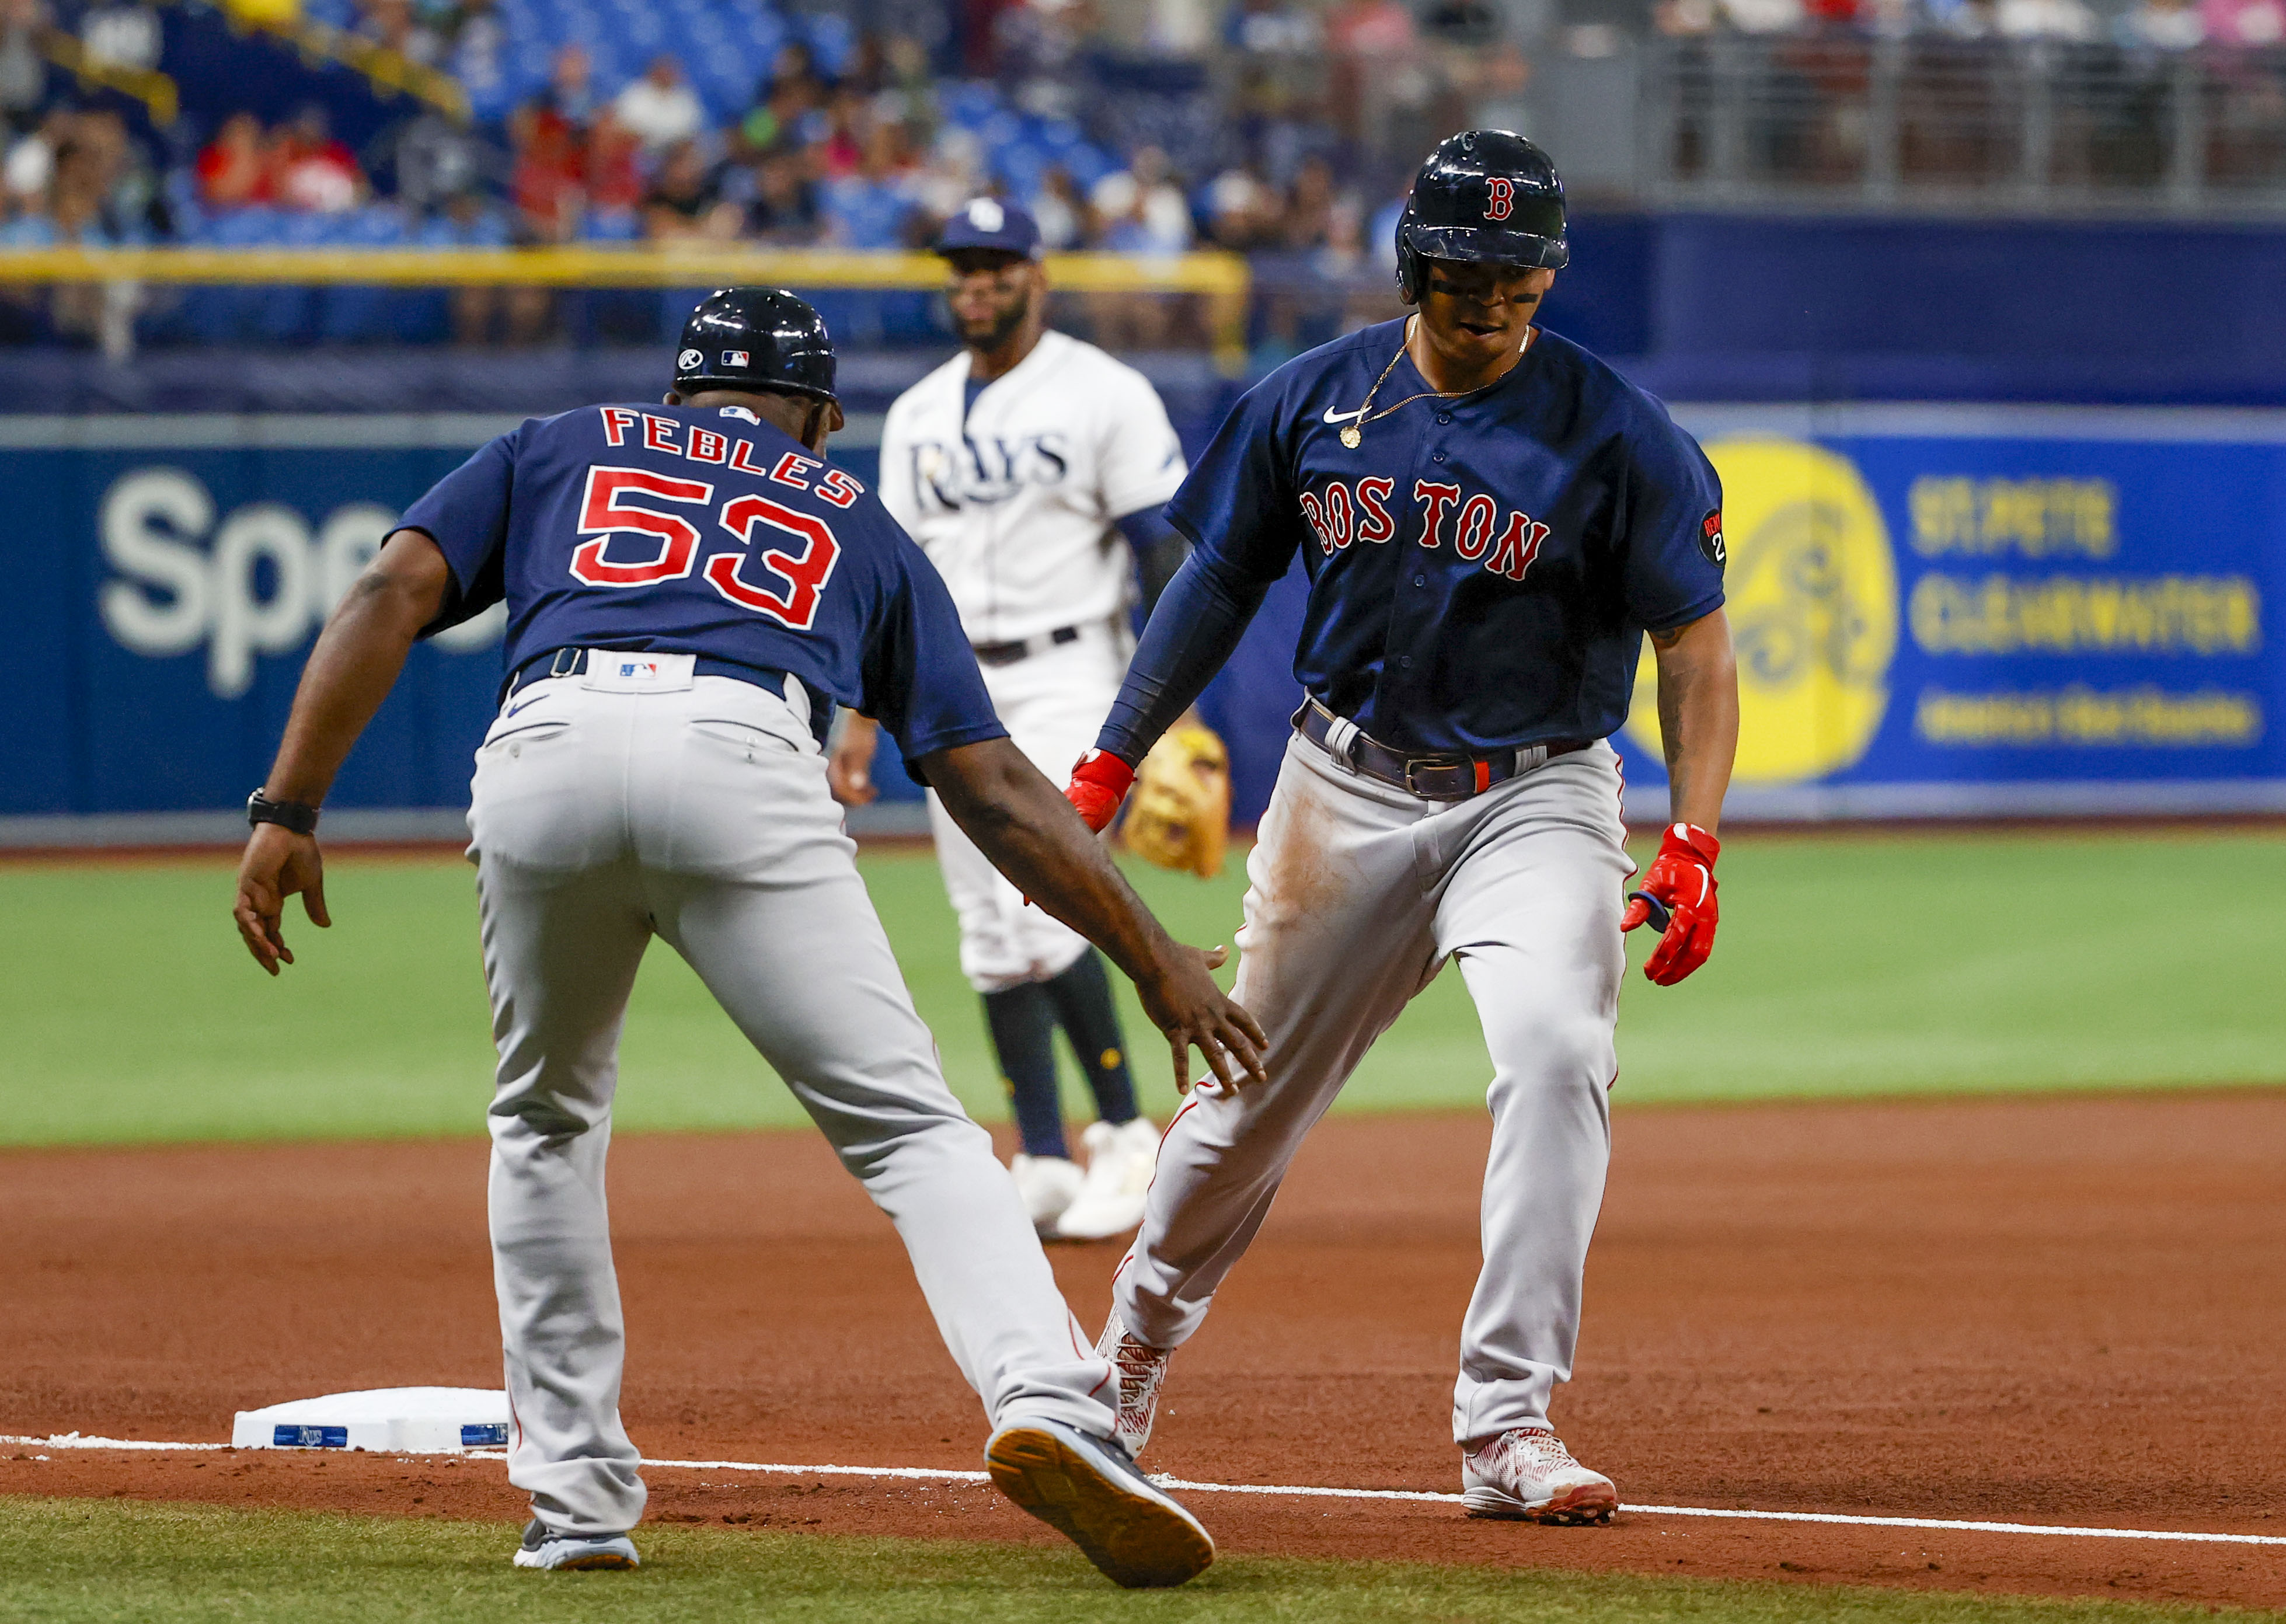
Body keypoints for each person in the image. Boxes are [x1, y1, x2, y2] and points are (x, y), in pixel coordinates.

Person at [231, 287, 1264, 1587]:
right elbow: (989, 785)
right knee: (909, 1131)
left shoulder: (562, 440)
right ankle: (1052, 1404)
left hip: (544, 747)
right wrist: (1152, 956)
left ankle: (576, 1503)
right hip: (738, 748)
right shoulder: (850, 515)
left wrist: (288, 805)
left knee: (543, 1120)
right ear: (819, 418)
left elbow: (393, 586)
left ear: (674, 397)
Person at [1062, 131, 1742, 1524]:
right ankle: (1127, 1349)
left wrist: (1697, 836)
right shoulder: (1311, 398)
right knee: (1246, 1097)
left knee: (1558, 1051)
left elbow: (1696, 646)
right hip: (1343, 789)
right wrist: (1107, 756)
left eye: (1515, 271)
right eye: (1462, 269)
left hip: (1537, 795)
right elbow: (1211, 583)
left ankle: (1506, 1420)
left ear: (1546, 274)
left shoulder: (1619, 433)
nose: (1489, 296)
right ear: (1412, 262)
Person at [831, 198, 1197, 1242]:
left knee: (1046, 899)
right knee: (989, 933)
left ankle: (1124, 1137)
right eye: (961, 268)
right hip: (946, 686)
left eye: (995, 266)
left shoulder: (1102, 393)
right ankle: (1042, 1152)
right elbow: (891, 581)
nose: (975, 284)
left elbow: (1163, 555)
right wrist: (859, 717)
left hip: (1072, 669)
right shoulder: (916, 415)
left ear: (1037, 276)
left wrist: (1174, 711)